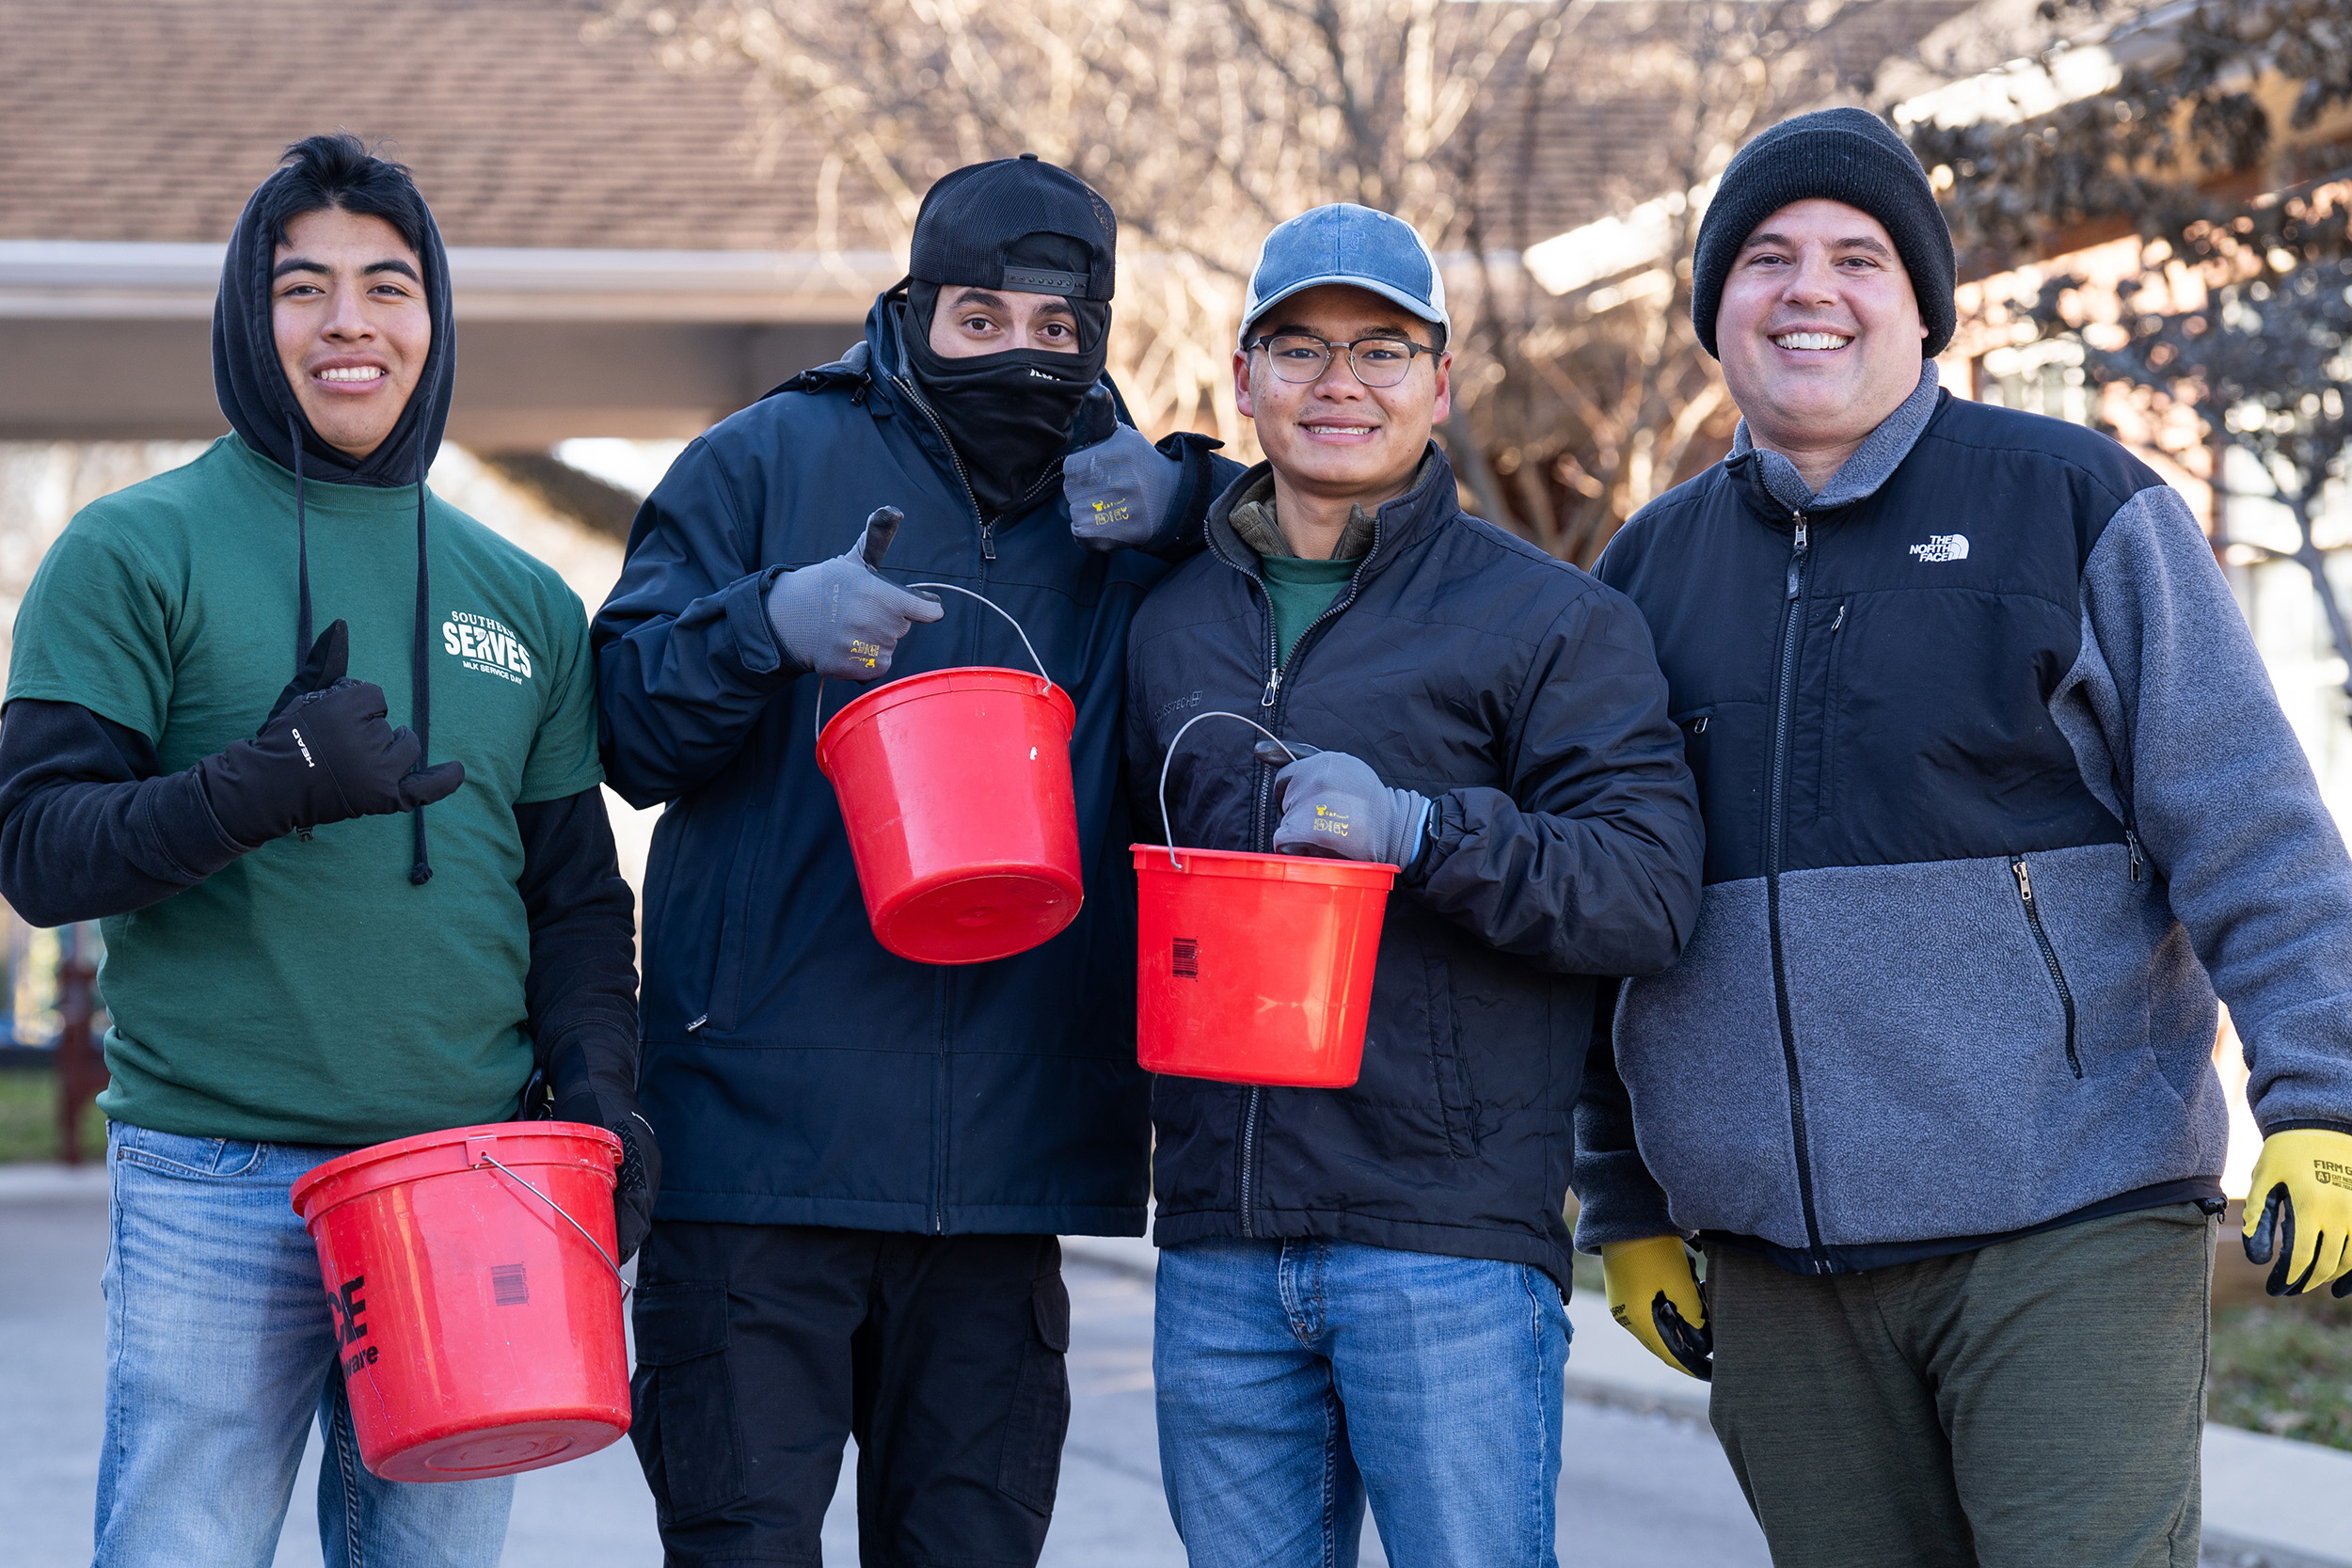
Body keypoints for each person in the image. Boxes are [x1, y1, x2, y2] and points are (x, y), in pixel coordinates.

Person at [1573, 106, 2352, 1567]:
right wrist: (1623, 1195)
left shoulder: (2075, 505)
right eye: (1767, 258)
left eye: (1858, 257)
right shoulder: (1641, 576)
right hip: (1778, 1270)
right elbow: (1611, 921)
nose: (1811, 288)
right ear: (1715, 308)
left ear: (1922, 307)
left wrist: (2325, 1104)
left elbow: (2253, 828)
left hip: (2068, 1220)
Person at [0, 134, 653, 1568]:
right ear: (251, 318)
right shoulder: (131, 550)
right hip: (214, 1183)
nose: (349, 321)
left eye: (387, 285)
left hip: (468, 1181)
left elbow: (574, 896)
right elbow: (41, 854)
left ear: (433, 321)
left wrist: (604, 1087)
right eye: (304, 289)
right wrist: (266, 781)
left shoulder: (525, 597)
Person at [591, 153, 1236, 1566]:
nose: (1019, 351)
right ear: (915, 306)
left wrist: (1203, 501)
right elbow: (627, 725)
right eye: (980, 319)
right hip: (758, 1164)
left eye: (1056, 327)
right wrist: (764, 622)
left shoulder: (1126, 509)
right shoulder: (763, 462)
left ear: (1100, 330)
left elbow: (1343, 547)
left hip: (1008, 1169)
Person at [1123, 202, 1704, 1568]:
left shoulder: (1549, 620)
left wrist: (1424, 831)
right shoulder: (1166, 625)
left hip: (1441, 1240)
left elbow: (1650, 890)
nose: (1340, 384)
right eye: (1300, 349)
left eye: (1382, 351)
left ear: (1441, 386)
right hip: (1218, 1240)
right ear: (1244, 380)